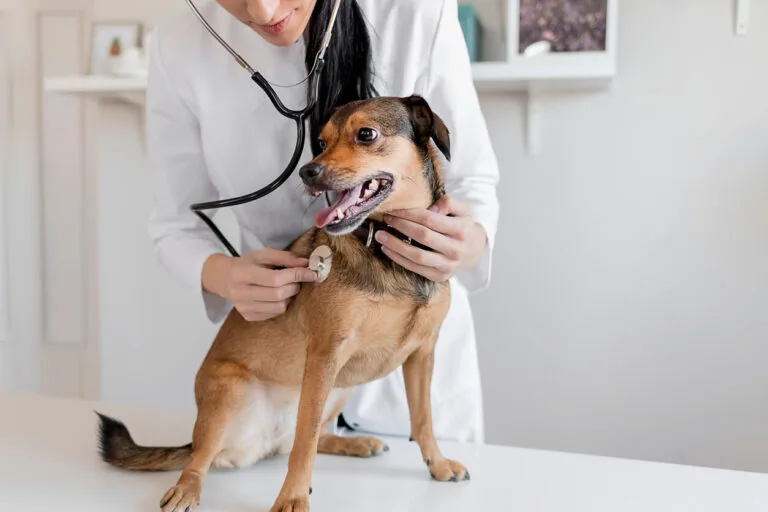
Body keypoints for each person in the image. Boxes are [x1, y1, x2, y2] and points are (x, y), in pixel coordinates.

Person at [146, 0, 500, 444]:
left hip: (411, 370)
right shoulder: (179, 45)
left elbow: (471, 179)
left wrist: (470, 240)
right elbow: (175, 225)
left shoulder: (416, 12)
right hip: (281, 377)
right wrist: (226, 276)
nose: (262, 10)